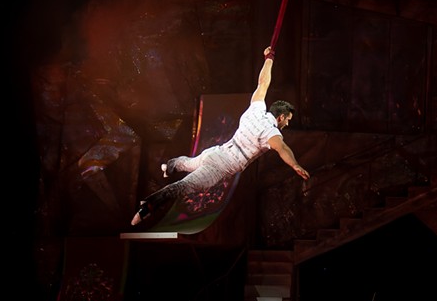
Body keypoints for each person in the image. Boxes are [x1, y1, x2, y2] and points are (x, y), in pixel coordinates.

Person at [131, 46, 310, 226]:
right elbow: (283, 148)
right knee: (183, 187)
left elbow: (263, 83)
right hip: (220, 167)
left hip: (216, 152)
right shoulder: (271, 132)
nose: (287, 124)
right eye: (288, 119)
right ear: (281, 117)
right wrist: (295, 164)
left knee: (190, 164)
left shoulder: (256, 109)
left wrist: (269, 58)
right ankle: (147, 207)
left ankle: (170, 165)